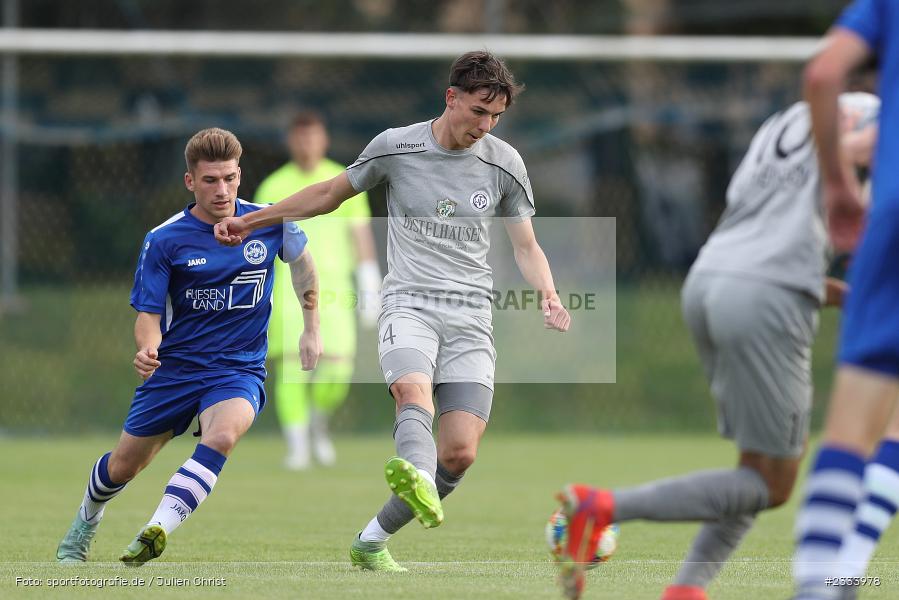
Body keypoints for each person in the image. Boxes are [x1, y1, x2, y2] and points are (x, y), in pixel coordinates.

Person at [214, 50, 571, 571]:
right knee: (411, 390)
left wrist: (550, 293)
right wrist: (255, 221)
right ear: (451, 98)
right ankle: (416, 472)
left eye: (495, 116)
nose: (485, 125)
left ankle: (372, 539)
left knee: (460, 454)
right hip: (409, 303)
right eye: (478, 110)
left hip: (471, 318)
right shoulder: (396, 146)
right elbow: (328, 193)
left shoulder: (504, 163)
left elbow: (525, 245)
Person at [552, 90, 879, 600]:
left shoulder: (788, 119)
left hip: (711, 279)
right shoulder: (875, 117)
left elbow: (768, 217)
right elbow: (863, 148)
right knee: (773, 485)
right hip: (765, 297)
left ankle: (687, 591)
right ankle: (601, 506)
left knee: (756, 469)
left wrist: (832, 289)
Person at [55, 128, 322, 565]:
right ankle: (87, 518)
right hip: (175, 370)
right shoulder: (164, 239)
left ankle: (156, 528)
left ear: (240, 175)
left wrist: (312, 327)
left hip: (238, 369)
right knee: (124, 467)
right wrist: (147, 349)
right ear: (190, 182)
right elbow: (148, 315)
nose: (223, 190)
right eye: (211, 180)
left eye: (231, 178)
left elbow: (305, 270)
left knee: (223, 434)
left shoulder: (268, 221)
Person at [791, 2, 899, 598]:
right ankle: (849, 567)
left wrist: (838, 185)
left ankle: (825, 581)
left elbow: (823, 74)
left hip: (892, 218)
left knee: (854, 430)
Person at [255, 111, 381, 471]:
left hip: (336, 292)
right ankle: (297, 447)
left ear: (323, 139)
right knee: (292, 371)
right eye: (300, 137)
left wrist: (370, 280)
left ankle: (317, 423)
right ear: (291, 141)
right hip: (287, 292)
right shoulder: (273, 186)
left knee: (337, 373)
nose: (306, 143)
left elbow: (360, 235)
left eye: (313, 136)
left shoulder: (344, 180)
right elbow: (262, 241)